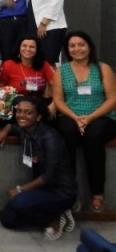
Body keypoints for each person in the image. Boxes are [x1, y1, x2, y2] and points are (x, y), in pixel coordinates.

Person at [0, 96, 76, 241]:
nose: (21, 116)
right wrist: (3, 132)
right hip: (42, 190)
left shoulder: (50, 138)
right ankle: (51, 214)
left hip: (61, 192)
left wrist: (20, 190)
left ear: (38, 117)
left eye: (28, 113)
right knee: (7, 219)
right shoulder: (26, 129)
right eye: (19, 111)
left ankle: (55, 216)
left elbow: (48, 177)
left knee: (18, 202)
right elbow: (12, 126)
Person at [52, 31, 116, 213]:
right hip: (70, 116)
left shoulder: (103, 69)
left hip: (101, 117)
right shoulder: (61, 71)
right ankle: (70, 192)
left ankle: (97, 193)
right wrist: (75, 118)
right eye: (72, 46)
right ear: (67, 49)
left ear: (89, 47)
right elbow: (58, 101)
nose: (76, 49)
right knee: (67, 134)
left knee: (93, 136)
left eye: (81, 45)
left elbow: (113, 99)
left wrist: (89, 118)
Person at [0, 36, 55, 114]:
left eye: (32, 47)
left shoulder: (44, 64)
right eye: (24, 46)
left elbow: (57, 85)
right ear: (19, 48)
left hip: (37, 100)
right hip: (15, 102)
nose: (28, 49)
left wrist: (53, 105)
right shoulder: (8, 64)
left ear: (37, 49)